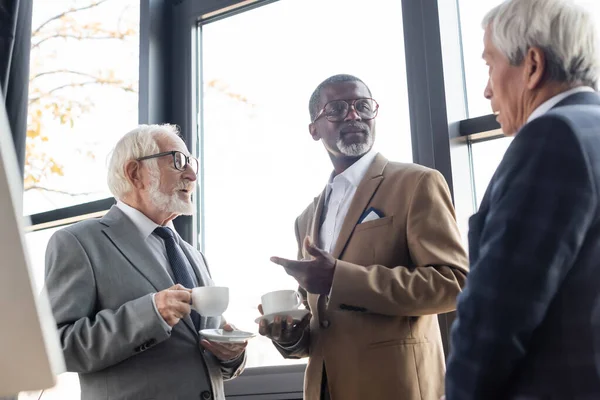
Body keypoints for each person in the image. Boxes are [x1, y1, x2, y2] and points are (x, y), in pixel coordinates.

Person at [259, 74, 469, 400]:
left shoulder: (417, 183)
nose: (354, 115)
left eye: (363, 106)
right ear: (314, 129)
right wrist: (288, 334)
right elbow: (324, 324)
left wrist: (339, 279)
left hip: (399, 388)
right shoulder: (306, 219)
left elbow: (453, 284)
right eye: (337, 109)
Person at [444, 0, 600, 399]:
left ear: (532, 65)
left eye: (490, 64)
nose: (486, 89)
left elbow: (495, 316)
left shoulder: (553, 137)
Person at [44, 124, 246, 400]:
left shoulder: (194, 256)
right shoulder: (79, 242)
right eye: (177, 161)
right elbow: (54, 347)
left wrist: (231, 356)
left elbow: (199, 356)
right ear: (135, 173)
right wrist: (150, 314)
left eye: (192, 164)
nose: (191, 174)